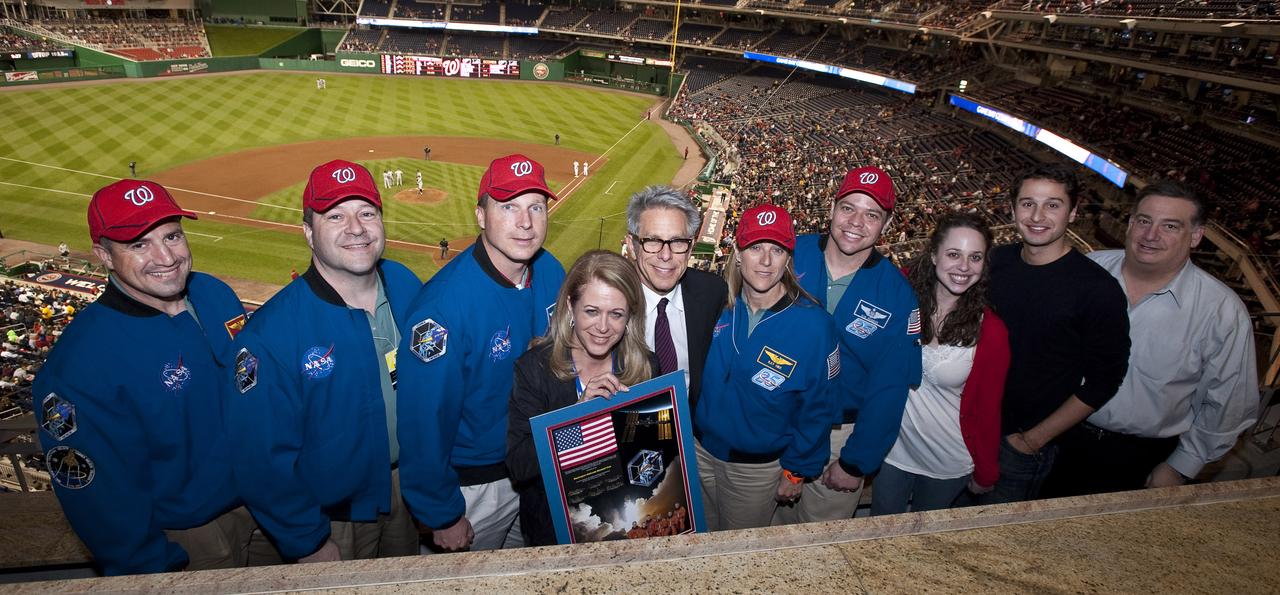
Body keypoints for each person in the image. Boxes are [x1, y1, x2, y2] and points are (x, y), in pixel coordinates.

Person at [33, 179, 264, 575]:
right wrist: (151, 571)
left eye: (172, 236)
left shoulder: (214, 293)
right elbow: (97, 497)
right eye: (139, 244)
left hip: (269, 505)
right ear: (104, 255)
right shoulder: (79, 363)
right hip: (192, 537)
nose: (166, 256)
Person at [228, 160, 422, 563]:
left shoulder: (405, 284)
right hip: (334, 518)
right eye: (335, 216)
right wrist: (307, 540)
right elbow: (259, 459)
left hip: (411, 488)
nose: (356, 228)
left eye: (367, 213)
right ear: (308, 233)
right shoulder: (269, 336)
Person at [1043, 180, 1259, 497]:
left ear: (1196, 236)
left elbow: (1230, 404)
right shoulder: (1082, 270)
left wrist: (1180, 465)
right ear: (1130, 224)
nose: (1151, 235)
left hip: (1136, 457)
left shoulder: (1221, 311)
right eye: (1144, 221)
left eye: (1169, 226)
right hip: (1051, 434)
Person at [398, 154, 565, 552]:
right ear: (480, 215)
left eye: (536, 207)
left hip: (539, 470)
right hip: (474, 490)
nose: (525, 222)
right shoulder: (440, 311)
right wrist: (441, 513)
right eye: (508, 206)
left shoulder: (554, 272)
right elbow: (423, 423)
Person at [979, 164, 1130, 504]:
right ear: (1013, 208)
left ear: (1073, 212)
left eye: (1053, 204)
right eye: (1028, 203)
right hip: (973, 427)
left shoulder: (1097, 289)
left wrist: (1032, 440)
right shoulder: (995, 261)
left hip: (1021, 443)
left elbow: (1105, 380)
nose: (1038, 215)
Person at [783, 165, 922, 524]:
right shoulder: (787, 254)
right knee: (761, 532)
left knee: (820, 545)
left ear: (887, 225)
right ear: (831, 208)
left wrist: (857, 460)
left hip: (838, 438)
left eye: (871, 214)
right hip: (775, 421)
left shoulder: (897, 293)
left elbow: (889, 389)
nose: (856, 222)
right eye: (848, 208)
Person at [694, 204, 838, 531]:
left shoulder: (815, 325)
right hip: (699, 452)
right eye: (755, 247)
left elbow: (818, 408)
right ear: (737, 252)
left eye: (777, 249)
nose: (766, 260)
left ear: (789, 257)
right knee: (698, 538)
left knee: (738, 552)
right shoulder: (717, 304)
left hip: (755, 470)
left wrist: (797, 470)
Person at [506, 250, 660, 545]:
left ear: (630, 316)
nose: (603, 327)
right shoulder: (535, 369)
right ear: (569, 307)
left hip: (625, 525)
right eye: (591, 311)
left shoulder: (645, 367)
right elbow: (520, 467)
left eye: (616, 314)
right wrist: (576, 418)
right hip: (555, 533)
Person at [870, 215, 1009, 515]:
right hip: (892, 449)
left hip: (948, 459)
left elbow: (988, 409)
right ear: (933, 255)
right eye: (953, 254)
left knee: (927, 541)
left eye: (975, 257)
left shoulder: (992, 331)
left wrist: (987, 471)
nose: (963, 266)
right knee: (879, 529)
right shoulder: (900, 295)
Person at [622, 186, 728, 411]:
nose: (666, 255)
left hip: (694, 430)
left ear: (690, 248)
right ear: (631, 246)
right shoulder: (609, 304)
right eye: (652, 241)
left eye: (677, 242)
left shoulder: (712, 293)